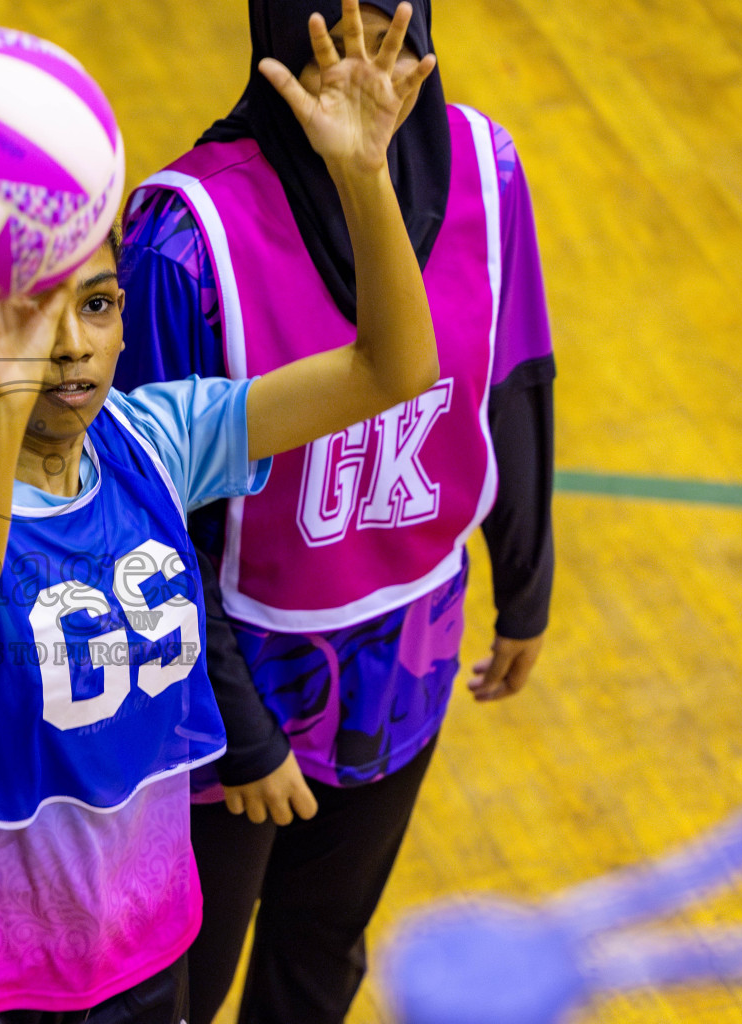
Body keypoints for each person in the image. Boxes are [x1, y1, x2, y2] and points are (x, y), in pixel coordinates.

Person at [0, 7, 440, 1019]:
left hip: (143, 956)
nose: (71, 344)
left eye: (98, 304)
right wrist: (7, 388)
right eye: (37, 311)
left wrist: (362, 174)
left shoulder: (160, 440)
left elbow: (392, 370)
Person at [111, 1, 557, 1021]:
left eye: (389, 31)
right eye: (331, 37)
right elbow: (148, 524)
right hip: (221, 689)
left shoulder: (488, 170)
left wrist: (526, 582)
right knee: (175, 991)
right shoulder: (183, 240)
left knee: (319, 957)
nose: (363, 63)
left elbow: (514, 373)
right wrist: (243, 732)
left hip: (406, 654)